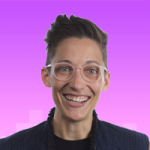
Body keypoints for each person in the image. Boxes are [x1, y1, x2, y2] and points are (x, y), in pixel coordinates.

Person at [0, 14, 149, 150]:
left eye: (91, 71)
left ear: (105, 81)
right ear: (47, 76)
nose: (77, 85)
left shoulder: (138, 146)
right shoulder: (9, 147)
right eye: (64, 69)